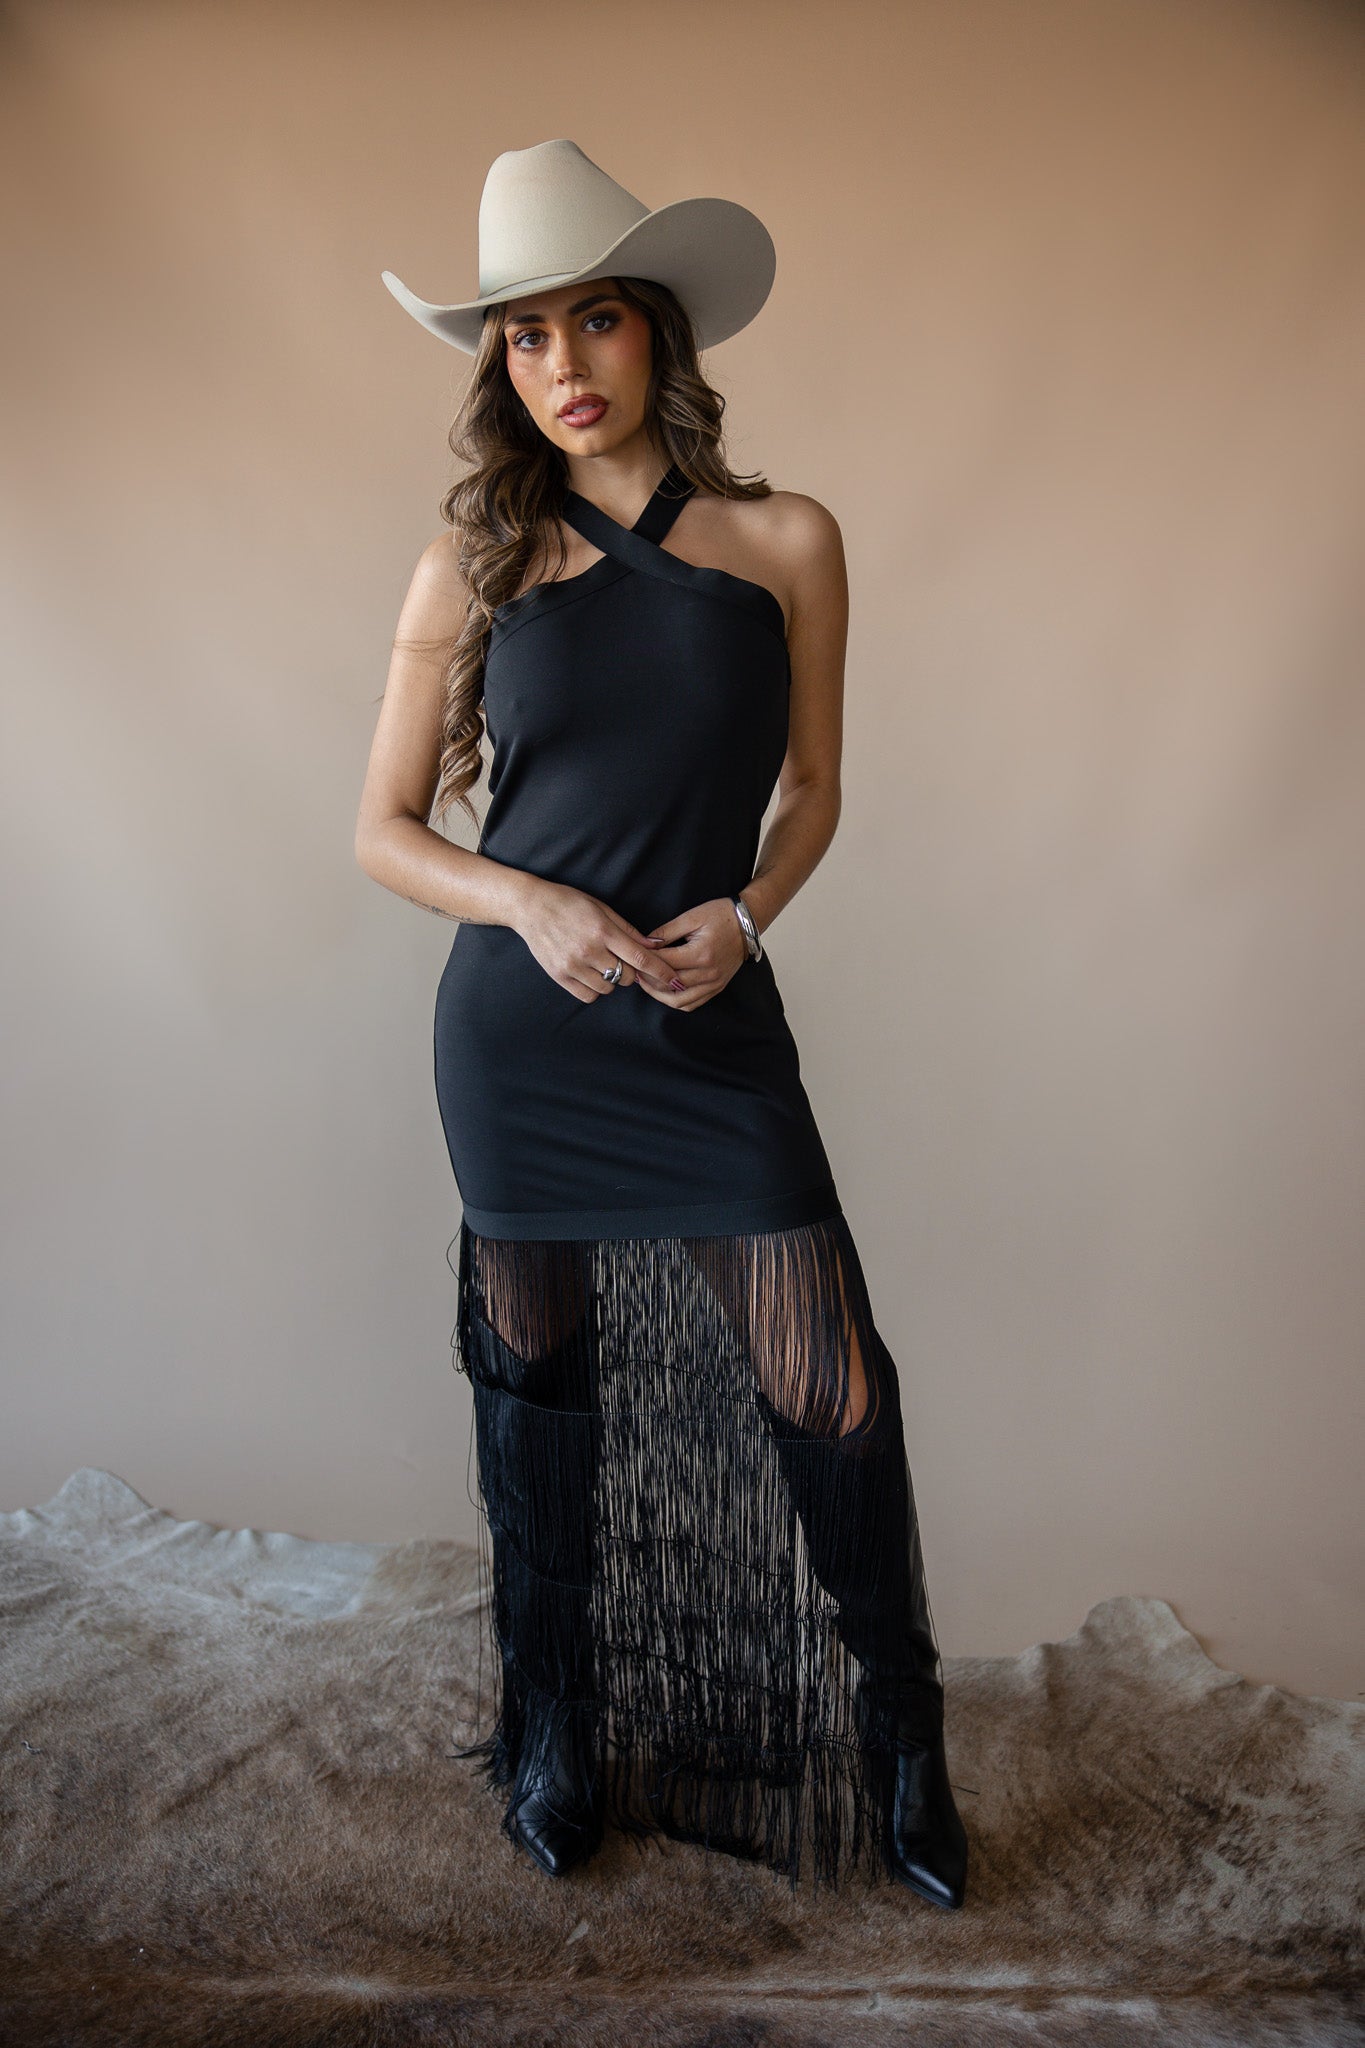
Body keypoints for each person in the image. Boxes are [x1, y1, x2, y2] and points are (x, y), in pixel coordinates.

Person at [355, 138, 969, 1906]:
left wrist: (749, 911)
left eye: (593, 320)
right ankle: (550, 1720)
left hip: (705, 1032)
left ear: (656, 334)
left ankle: (901, 1733)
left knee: (830, 1390)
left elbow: (816, 792)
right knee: (534, 1391)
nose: (561, 363)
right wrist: (529, 898)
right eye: (523, 336)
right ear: (501, 369)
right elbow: (380, 828)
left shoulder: (788, 540)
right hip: (523, 1041)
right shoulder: (469, 564)